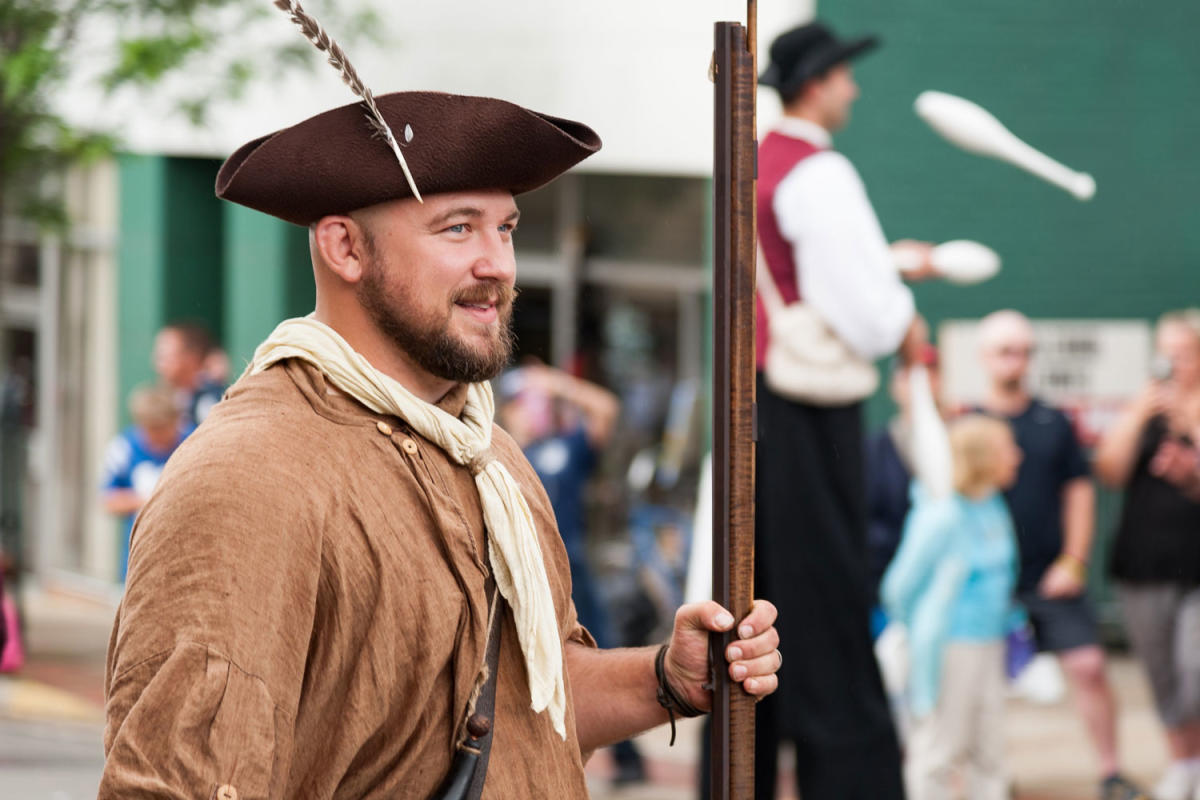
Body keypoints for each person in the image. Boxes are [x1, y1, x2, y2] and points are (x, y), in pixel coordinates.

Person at [100, 91, 781, 798]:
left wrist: (667, 678)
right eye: (458, 229)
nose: (499, 265)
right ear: (344, 247)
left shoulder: (493, 459)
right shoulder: (247, 477)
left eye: (506, 229)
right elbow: (176, 783)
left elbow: (532, 708)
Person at [749, 20, 934, 800]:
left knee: (755, 610)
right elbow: (864, 312)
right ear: (818, 83)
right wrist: (905, 317)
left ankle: (743, 775)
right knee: (825, 605)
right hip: (809, 415)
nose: (854, 89)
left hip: (759, 405)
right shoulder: (820, 174)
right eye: (846, 76)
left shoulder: (760, 165)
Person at [977, 309, 1145, 800]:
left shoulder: (1053, 421)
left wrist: (1073, 560)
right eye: (1007, 351)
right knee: (977, 683)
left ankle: (1111, 772)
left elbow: (1079, 493)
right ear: (985, 357)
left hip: (1049, 577)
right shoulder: (969, 426)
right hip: (986, 584)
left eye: (1025, 351)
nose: (1018, 361)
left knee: (1089, 665)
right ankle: (989, 777)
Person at [497, 361, 647, 785]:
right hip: (525, 578)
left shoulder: (564, 449)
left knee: (601, 655)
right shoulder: (496, 454)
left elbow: (605, 409)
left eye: (534, 403)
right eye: (521, 403)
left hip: (573, 570)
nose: (529, 411)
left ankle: (628, 759)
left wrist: (558, 385)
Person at [882, 414, 1022, 800]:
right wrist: (921, 628)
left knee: (990, 749)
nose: (1017, 456)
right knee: (940, 747)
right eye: (1007, 449)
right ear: (982, 457)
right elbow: (898, 586)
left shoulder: (992, 504)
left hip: (990, 640)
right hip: (950, 644)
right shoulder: (940, 515)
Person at [1095, 310, 1200, 800]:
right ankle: (1181, 763)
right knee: (1160, 673)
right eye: (1166, 353)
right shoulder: (1142, 411)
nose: (1172, 363)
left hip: (1196, 565)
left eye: (1182, 353)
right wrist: (1137, 414)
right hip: (1144, 563)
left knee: (1194, 668)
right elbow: (1110, 471)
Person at [865, 347, 941, 638]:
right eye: (908, 375)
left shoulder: (961, 442)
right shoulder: (874, 449)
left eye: (930, 374)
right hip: (887, 593)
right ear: (894, 385)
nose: (920, 384)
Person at [100, 384, 191, 581]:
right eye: (151, 429)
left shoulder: (192, 443)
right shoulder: (124, 447)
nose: (157, 437)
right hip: (139, 557)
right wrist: (151, 500)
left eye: (162, 429)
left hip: (186, 554)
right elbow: (109, 500)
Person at [152, 321, 226, 427]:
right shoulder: (169, 397)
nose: (159, 365)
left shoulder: (209, 401)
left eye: (165, 357)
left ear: (191, 357)